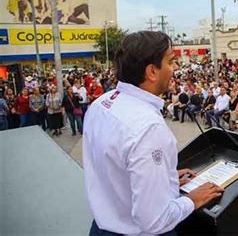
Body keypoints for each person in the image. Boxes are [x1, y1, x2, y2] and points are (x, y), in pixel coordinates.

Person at [83, 31, 223, 236]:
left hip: (102, 227)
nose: (175, 68)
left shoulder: (101, 104)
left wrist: (165, 179)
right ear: (152, 72)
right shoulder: (148, 128)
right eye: (171, 61)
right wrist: (191, 200)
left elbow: (116, 169)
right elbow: (155, 220)